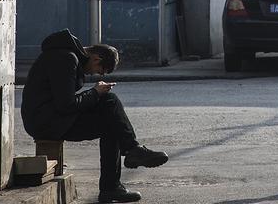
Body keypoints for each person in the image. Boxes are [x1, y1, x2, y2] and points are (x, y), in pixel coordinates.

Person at [21, 30, 169, 203]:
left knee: (110, 117)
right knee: (109, 104)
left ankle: (118, 176)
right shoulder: (66, 59)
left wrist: (95, 93)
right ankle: (125, 162)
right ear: (96, 58)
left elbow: (64, 103)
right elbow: (66, 105)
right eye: (100, 70)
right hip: (45, 122)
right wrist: (95, 92)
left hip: (50, 117)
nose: (95, 74)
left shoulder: (66, 56)